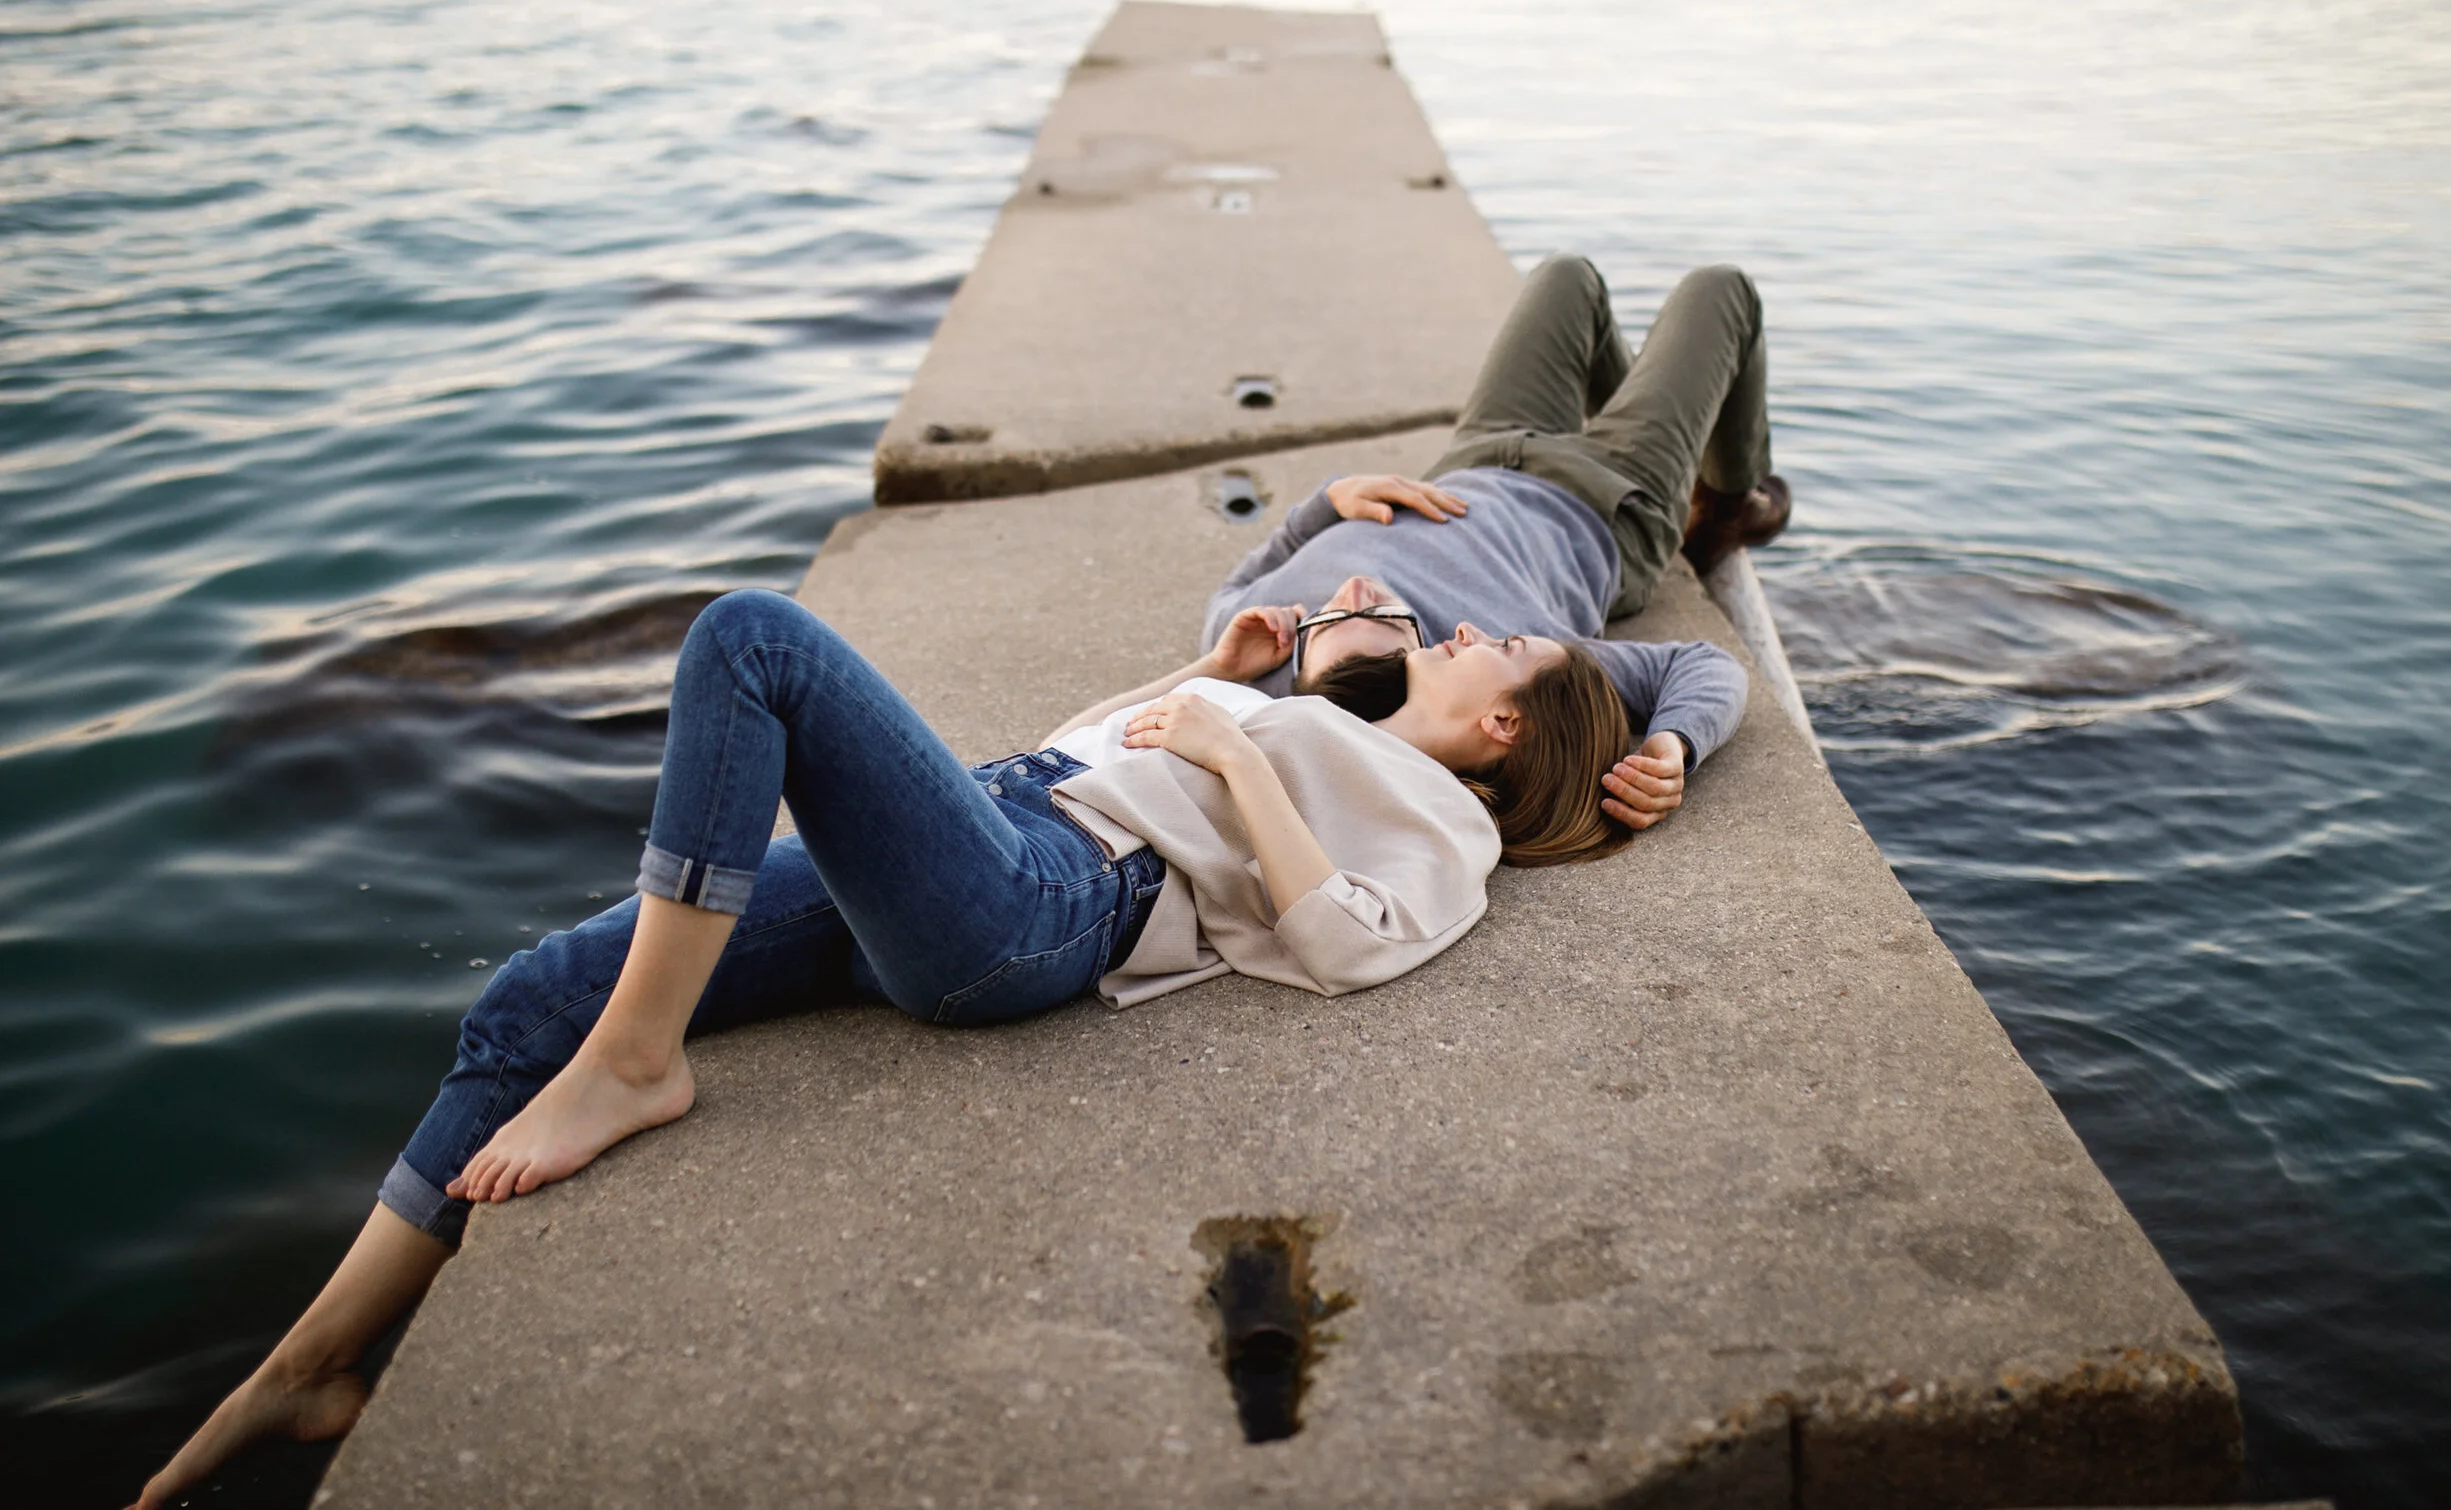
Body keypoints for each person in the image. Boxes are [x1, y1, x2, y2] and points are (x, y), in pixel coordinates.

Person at [132, 580, 1632, 1507]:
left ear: (1510, 726)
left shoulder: (1441, 815)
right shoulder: (1325, 718)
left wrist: (1241, 744)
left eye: (1501, 649)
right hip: (1002, 825)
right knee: (533, 994)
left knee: (752, 639)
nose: (1465, 634)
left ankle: (640, 1065)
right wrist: (1223, 678)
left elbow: (1354, 941)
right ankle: (311, 1362)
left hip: (1045, 902)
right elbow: (1091, 747)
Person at [1205, 254, 1788, 835]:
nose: (1356, 586)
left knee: (1566, 277)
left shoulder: (1263, 639)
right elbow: (1703, 666)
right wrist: (1673, 744)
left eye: (1334, 609)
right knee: (1720, 288)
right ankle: (1730, 497)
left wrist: (1327, 504)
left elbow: (1235, 589)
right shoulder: (1502, 663)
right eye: (1385, 610)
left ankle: (1659, 410)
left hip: (1478, 455)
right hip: (1609, 499)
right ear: (1413, 650)